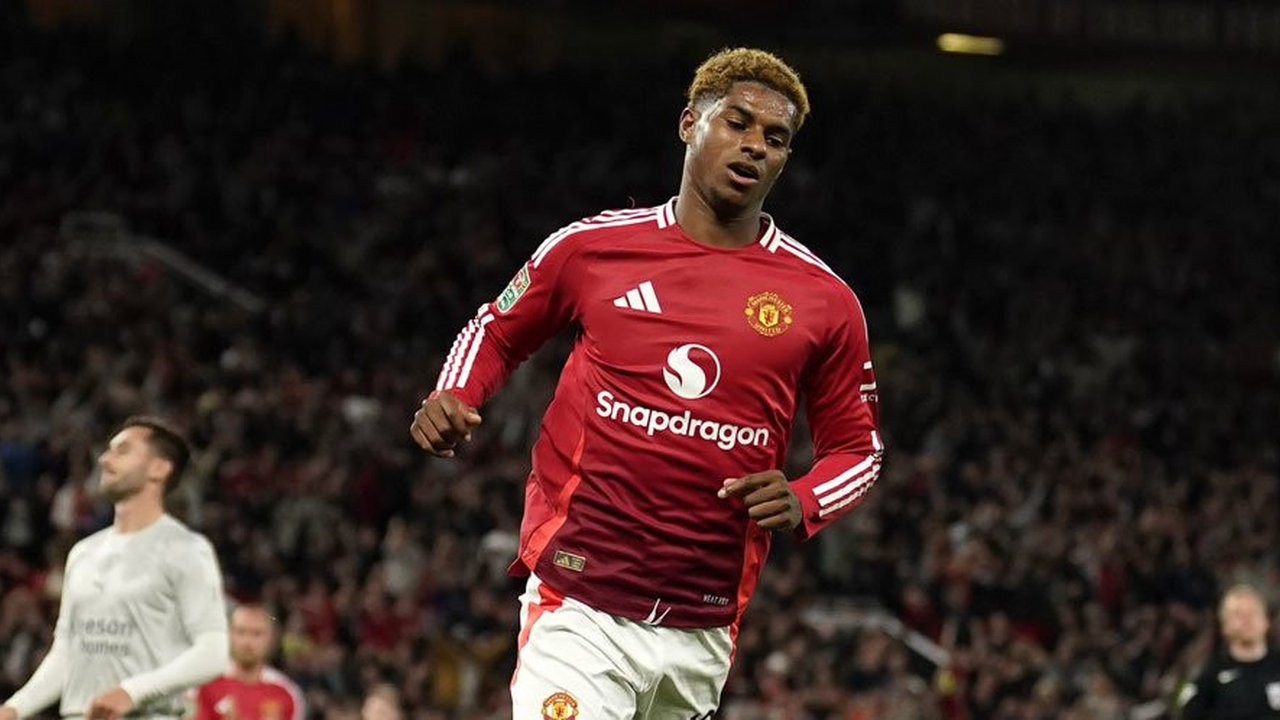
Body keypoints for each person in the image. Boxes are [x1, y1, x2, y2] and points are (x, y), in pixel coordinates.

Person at [410, 47, 884, 719]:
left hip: (702, 628)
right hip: (580, 604)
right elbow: (497, 329)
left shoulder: (824, 300)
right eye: (737, 123)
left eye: (774, 138)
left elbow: (859, 451)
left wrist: (805, 497)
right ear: (690, 123)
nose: (754, 145)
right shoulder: (592, 249)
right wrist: (453, 395)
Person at [0, 416, 230, 720]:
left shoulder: (186, 549)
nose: (104, 459)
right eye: (108, 450)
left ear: (159, 468)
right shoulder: (83, 553)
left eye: (122, 450)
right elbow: (67, 651)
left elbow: (213, 652)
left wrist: (132, 692)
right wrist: (15, 708)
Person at [1176, 584, 1280, 719]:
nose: (1247, 620)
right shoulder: (1209, 674)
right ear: (1225, 626)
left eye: (1254, 612)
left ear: (1266, 621)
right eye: (1238, 614)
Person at [192, 604, 303, 720]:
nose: (247, 642)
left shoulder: (286, 693)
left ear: (271, 639)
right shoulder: (204, 684)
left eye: (257, 633)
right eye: (241, 632)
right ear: (229, 635)